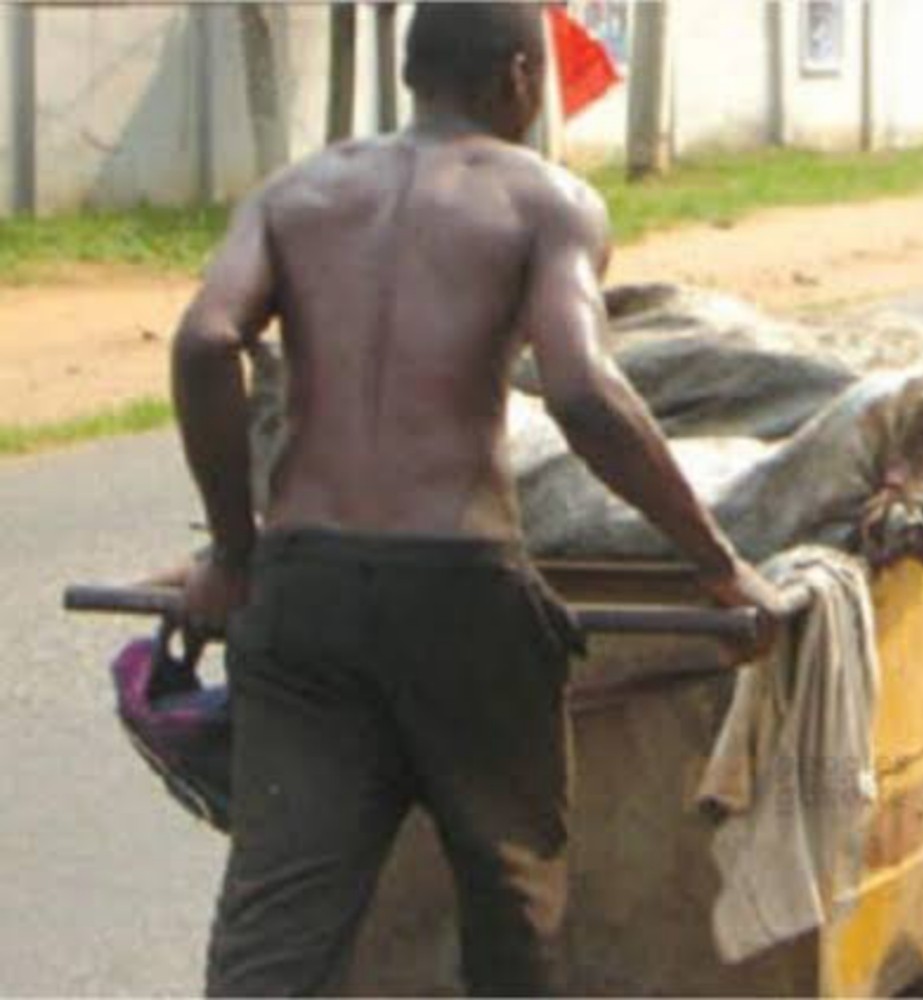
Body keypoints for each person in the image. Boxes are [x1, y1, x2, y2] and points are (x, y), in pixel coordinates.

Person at [171, 5, 784, 993]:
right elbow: (584, 391)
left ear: (412, 72)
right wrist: (718, 563)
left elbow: (205, 342)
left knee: (275, 921)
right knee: (511, 899)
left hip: (305, 591)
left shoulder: (291, 195)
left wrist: (235, 552)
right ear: (517, 77)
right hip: (460, 593)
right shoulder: (548, 202)